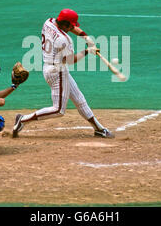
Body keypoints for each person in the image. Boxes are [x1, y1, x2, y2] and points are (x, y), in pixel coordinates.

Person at [12, 9, 115, 139]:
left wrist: (85, 36)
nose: (73, 27)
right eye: (71, 25)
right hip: (56, 72)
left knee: (79, 100)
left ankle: (99, 129)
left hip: (53, 67)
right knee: (59, 110)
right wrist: (87, 51)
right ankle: (22, 120)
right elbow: (70, 60)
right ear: (65, 24)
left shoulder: (49, 22)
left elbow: (69, 27)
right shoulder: (64, 40)